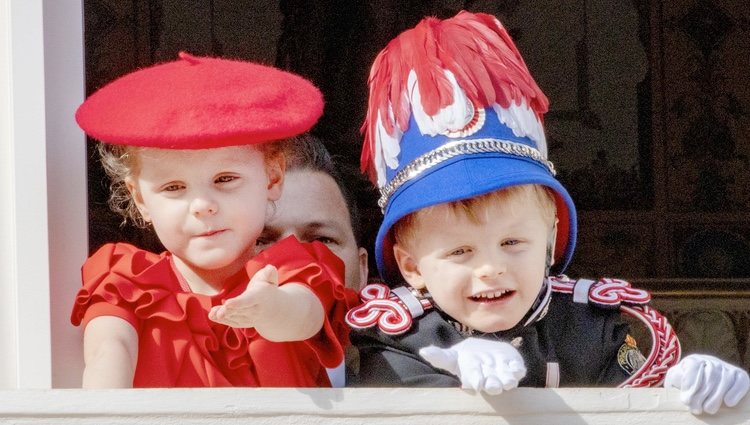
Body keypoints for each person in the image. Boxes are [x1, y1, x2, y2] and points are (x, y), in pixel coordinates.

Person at [345, 11, 749, 415]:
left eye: (512, 242)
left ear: (550, 242)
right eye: (460, 252)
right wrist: (453, 388)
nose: (490, 267)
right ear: (411, 266)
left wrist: (687, 393)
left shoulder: (591, 327)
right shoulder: (396, 337)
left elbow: (638, 405)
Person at [70, 52, 358, 388]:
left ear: (272, 178)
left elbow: (303, 314)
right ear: (140, 199)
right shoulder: (124, 281)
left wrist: (273, 308)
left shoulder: (294, 268)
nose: (203, 205)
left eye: (225, 179)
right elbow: (109, 352)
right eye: (174, 187)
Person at [256, 134, 370, 386]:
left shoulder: (424, 376)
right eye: (261, 240)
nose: (296, 261)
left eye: (320, 240)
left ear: (362, 269)